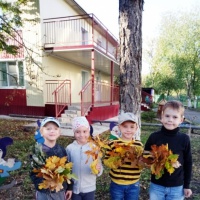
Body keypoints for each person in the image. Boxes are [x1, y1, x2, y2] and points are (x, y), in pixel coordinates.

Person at [144, 100, 193, 200]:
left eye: (175, 117)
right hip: (157, 185)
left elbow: (188, 163)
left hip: (177, 187)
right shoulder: (154, 137)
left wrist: (186, 185)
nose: (170, 120)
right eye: (167, 116)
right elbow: (145, 156)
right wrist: (154, 159)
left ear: (181, 120)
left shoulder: (184, 139)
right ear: (162, 117)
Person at [30, 117, 73, 200]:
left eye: (55, 129)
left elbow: (67, 171)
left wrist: (69, 187)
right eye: (48, 129)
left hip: (60, 191)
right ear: (41, 132)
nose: (52, 131)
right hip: (44, 193)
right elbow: (33, 173)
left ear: (59, 132)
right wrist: (44, 184)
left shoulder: (61, 150)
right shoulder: (38, 152)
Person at [104, 112, 143, 200]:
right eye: (125, 126)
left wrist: (141, 162)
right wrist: (116, 163)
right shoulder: (113, 143)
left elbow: (141, 164)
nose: (128, 130)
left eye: (132, 127)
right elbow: (106, 160)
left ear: (136, 128)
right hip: (117, 184)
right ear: (119, 127)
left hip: (133, 184)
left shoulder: (138, 145)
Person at [66, 116, 103, 200]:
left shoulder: (94, 148)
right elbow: (67, 169)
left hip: (89, 188)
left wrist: (98, 170)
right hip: (75, 189)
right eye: (78, 132)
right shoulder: (70, 148)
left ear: (89, 132)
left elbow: (99, 166)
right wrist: (69, 186)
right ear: (74, 133)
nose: (81, 135)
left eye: (84, 131)